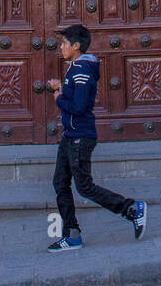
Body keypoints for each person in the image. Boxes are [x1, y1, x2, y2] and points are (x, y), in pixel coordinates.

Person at [46, 23, 147, 251]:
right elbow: (78, 96)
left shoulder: (80, 70)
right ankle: (71, 235)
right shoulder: (77, 68)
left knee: (84, 186)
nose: (60, 47)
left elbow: (79, 106)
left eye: (64, 43)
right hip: (71, 135)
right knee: (60, 182)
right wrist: (62, 88)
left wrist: (58, 97)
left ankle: (131, 209)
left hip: (80, 136)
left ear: (76, 45)